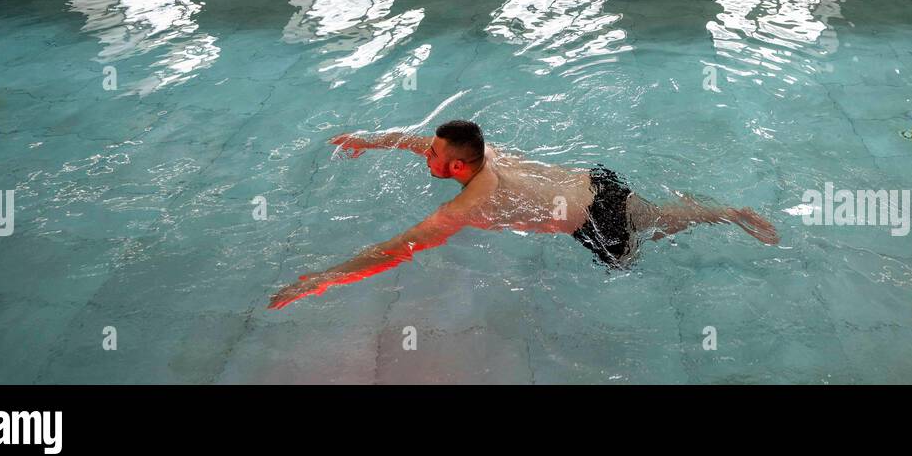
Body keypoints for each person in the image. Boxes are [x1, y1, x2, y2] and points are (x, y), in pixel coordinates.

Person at [268, 119, 779, 309]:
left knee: (637, 253)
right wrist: (368, 141)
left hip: (596, 222)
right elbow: (410, 137)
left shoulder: (471, 202)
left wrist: (322, 279)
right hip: (595, 182)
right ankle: (726, 212)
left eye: (433, 156)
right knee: (653, 213)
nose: (426, 155)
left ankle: (717, 218)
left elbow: (396, 249)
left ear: (455, 165)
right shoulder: (478, 153)